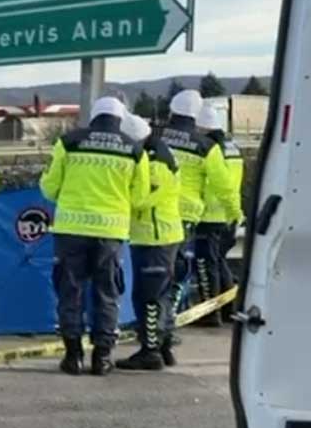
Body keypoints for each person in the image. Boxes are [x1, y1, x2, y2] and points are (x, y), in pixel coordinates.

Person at [41, 97, 151, 375]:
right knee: (107, 294)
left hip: (70, 230)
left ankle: (73, 356)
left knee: (70, 291)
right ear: (119, 119)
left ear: (93, 116)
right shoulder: (135, 150)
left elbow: (50, 188)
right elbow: (140, 198)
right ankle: (102, 358)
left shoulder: (68, 142)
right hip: (110, 232)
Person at [116, 113, 184, 371]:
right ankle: (163, 347)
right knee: (161, 295)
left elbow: (143, 200)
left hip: (154, 236)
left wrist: (119, 198)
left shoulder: (154, 162)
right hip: (162, 234)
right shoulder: (159, 153)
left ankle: (150, 351)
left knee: (149, 297)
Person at [158, 90, 233, 323]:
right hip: (191, 215)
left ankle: (161, 322)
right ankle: (170, 319)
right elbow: (224, 185)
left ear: (172, 110)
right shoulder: (208, 147)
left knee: (156, 270)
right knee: (180, 269)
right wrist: (235, 212)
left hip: (157, 211)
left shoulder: (156, 139)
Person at [193, 105, 245, 326]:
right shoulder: (232, 147)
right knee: (220, 261)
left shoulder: (210, 148)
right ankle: (228, 309)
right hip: (230, 215)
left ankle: (209, 312)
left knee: (206, 265)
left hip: (209, 216)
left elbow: (210, 181)